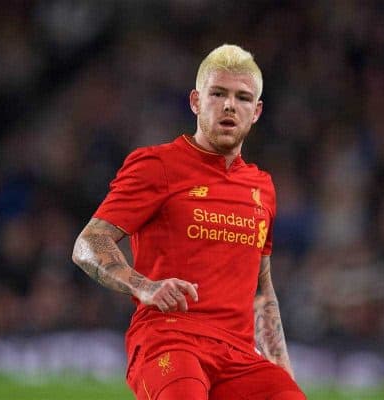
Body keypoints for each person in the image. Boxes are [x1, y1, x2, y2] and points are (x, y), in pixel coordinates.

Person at [72, 44, 306, 400]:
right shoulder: (157, 165)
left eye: (243, 98)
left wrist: (282, 373)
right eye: (218, 94)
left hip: (238, 356)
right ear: (196, 101)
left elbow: (261, 291)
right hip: (169, 339)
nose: (230, 105)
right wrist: (144, 285)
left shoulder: (262, 187)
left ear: (256, 112)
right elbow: (89, 242)